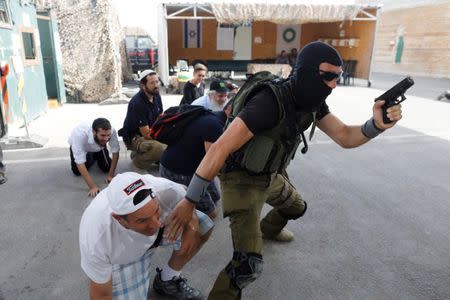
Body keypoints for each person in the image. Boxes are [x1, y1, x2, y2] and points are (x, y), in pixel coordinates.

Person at [164, 41, 404, 299]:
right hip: (241, 180)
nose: (334, 84)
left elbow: (345, 135)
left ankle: (266, 232)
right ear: (308, 72)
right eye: (328, 76)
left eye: (338, 77)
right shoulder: (268, 103)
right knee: (247, 266)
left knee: (297, 208)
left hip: (269, 175)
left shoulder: (311, 101)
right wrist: (190, 200)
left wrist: (376, 125)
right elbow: (218, 149)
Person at [79, 172, 214, 300]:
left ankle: (168, 279)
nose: (156, 225)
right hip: (123, 257)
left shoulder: (167, 189)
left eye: (156, 210)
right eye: (142, 220)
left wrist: (193, 225)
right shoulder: (96, 237)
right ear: (119, 218)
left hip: (157, 234)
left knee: (202, 226)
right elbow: (101, 295)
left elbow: (187, 203)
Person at [159, 102, 232, 220]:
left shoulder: (212, 116)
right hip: (179, 172)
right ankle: (182, 220)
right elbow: (214, 163)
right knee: (211, 213)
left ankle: (189, 206)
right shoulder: (215, 126)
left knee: (215, 196)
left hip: (184, 164)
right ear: (229, 110)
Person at [118, 70, 166, 170]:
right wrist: (164, 141)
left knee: (172, 141)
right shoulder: (138, 103)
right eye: (152, 83)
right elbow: (146, 135)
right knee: (161, 148)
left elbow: (160, 119)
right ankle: (137, 163)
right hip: (134, 137)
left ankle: (139, 153)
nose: (156, 85)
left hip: (149, 131)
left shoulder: (156, 96)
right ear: (143, 86)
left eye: (157, 81)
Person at [68, 118, 119, 197]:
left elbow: (115, 151)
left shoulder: (111, 131)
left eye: (108, 135)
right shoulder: (79, 134)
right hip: (83, 147)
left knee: (107, 167)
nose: (106, 139)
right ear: (94, 132)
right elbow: (79, 162)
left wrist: (111, 176)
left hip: (99, 146)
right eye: (103, 135)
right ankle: (91, 155)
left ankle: (94, 154)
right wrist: (93, 187)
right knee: (77, 171)